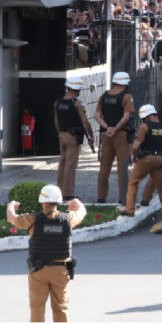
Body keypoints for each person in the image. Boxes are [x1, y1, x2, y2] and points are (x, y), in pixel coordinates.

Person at [6, 185, 85, 322]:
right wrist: (75, 202)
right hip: (61, 270)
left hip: (38, 270)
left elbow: (11, 218)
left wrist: (11, 205)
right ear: (59, 202)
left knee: (37, 308)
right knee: (61, 308)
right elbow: (81, 212)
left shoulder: (33, 220)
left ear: (42, 202)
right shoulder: (68, 219)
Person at [95, 72, 135, 203]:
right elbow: (126, 117)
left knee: (103, 169)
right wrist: (115, 129)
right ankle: (123, 199)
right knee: (122, 169)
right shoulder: (127, 97)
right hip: (121, 135)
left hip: (106, 136)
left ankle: (101, 198)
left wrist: (107, 128)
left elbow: (97, 116)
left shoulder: (103, 96)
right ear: (125, 83)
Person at [123, 105, 162, 216]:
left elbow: (135, 145)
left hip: (146, 159)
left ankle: (129, 210)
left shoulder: (144, 127)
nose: (145, 120)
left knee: (133, 182)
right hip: (160, 160)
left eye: (145, 118)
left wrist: (133, 155)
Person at [53, 78, 93, 201]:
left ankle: (59, 191)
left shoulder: (57, 103)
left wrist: (60, 133)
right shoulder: (77, 103)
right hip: (73, 136)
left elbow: (56, 121)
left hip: (62, 135)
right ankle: (68, 194)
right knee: (70, 165)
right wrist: (91, 136)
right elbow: (85, 122)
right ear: (76, 90)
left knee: (62, 164)